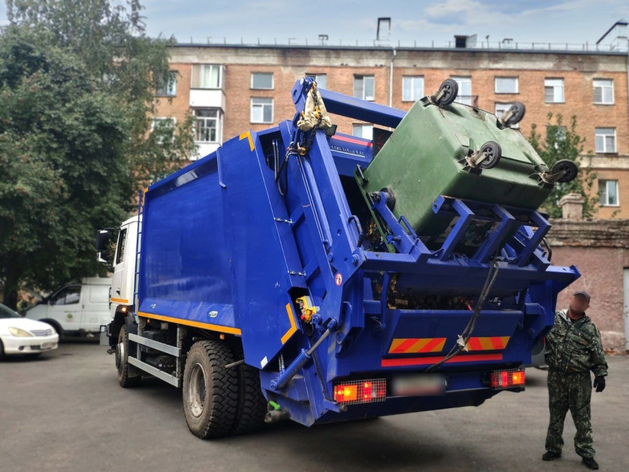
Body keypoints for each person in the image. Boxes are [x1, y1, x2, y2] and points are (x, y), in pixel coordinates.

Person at [543, 290, 608, 470]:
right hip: (556, 376)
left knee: (582, 417)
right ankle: (554, 448)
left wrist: (600, 374)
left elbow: (598, 353)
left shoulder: (590, 328)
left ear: (587, 306)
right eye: (577, 299)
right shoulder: (554, 319)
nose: (579, 303)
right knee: (556, 414)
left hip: (579, 379)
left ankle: (586, 452)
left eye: (583, 301)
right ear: (570, 299)